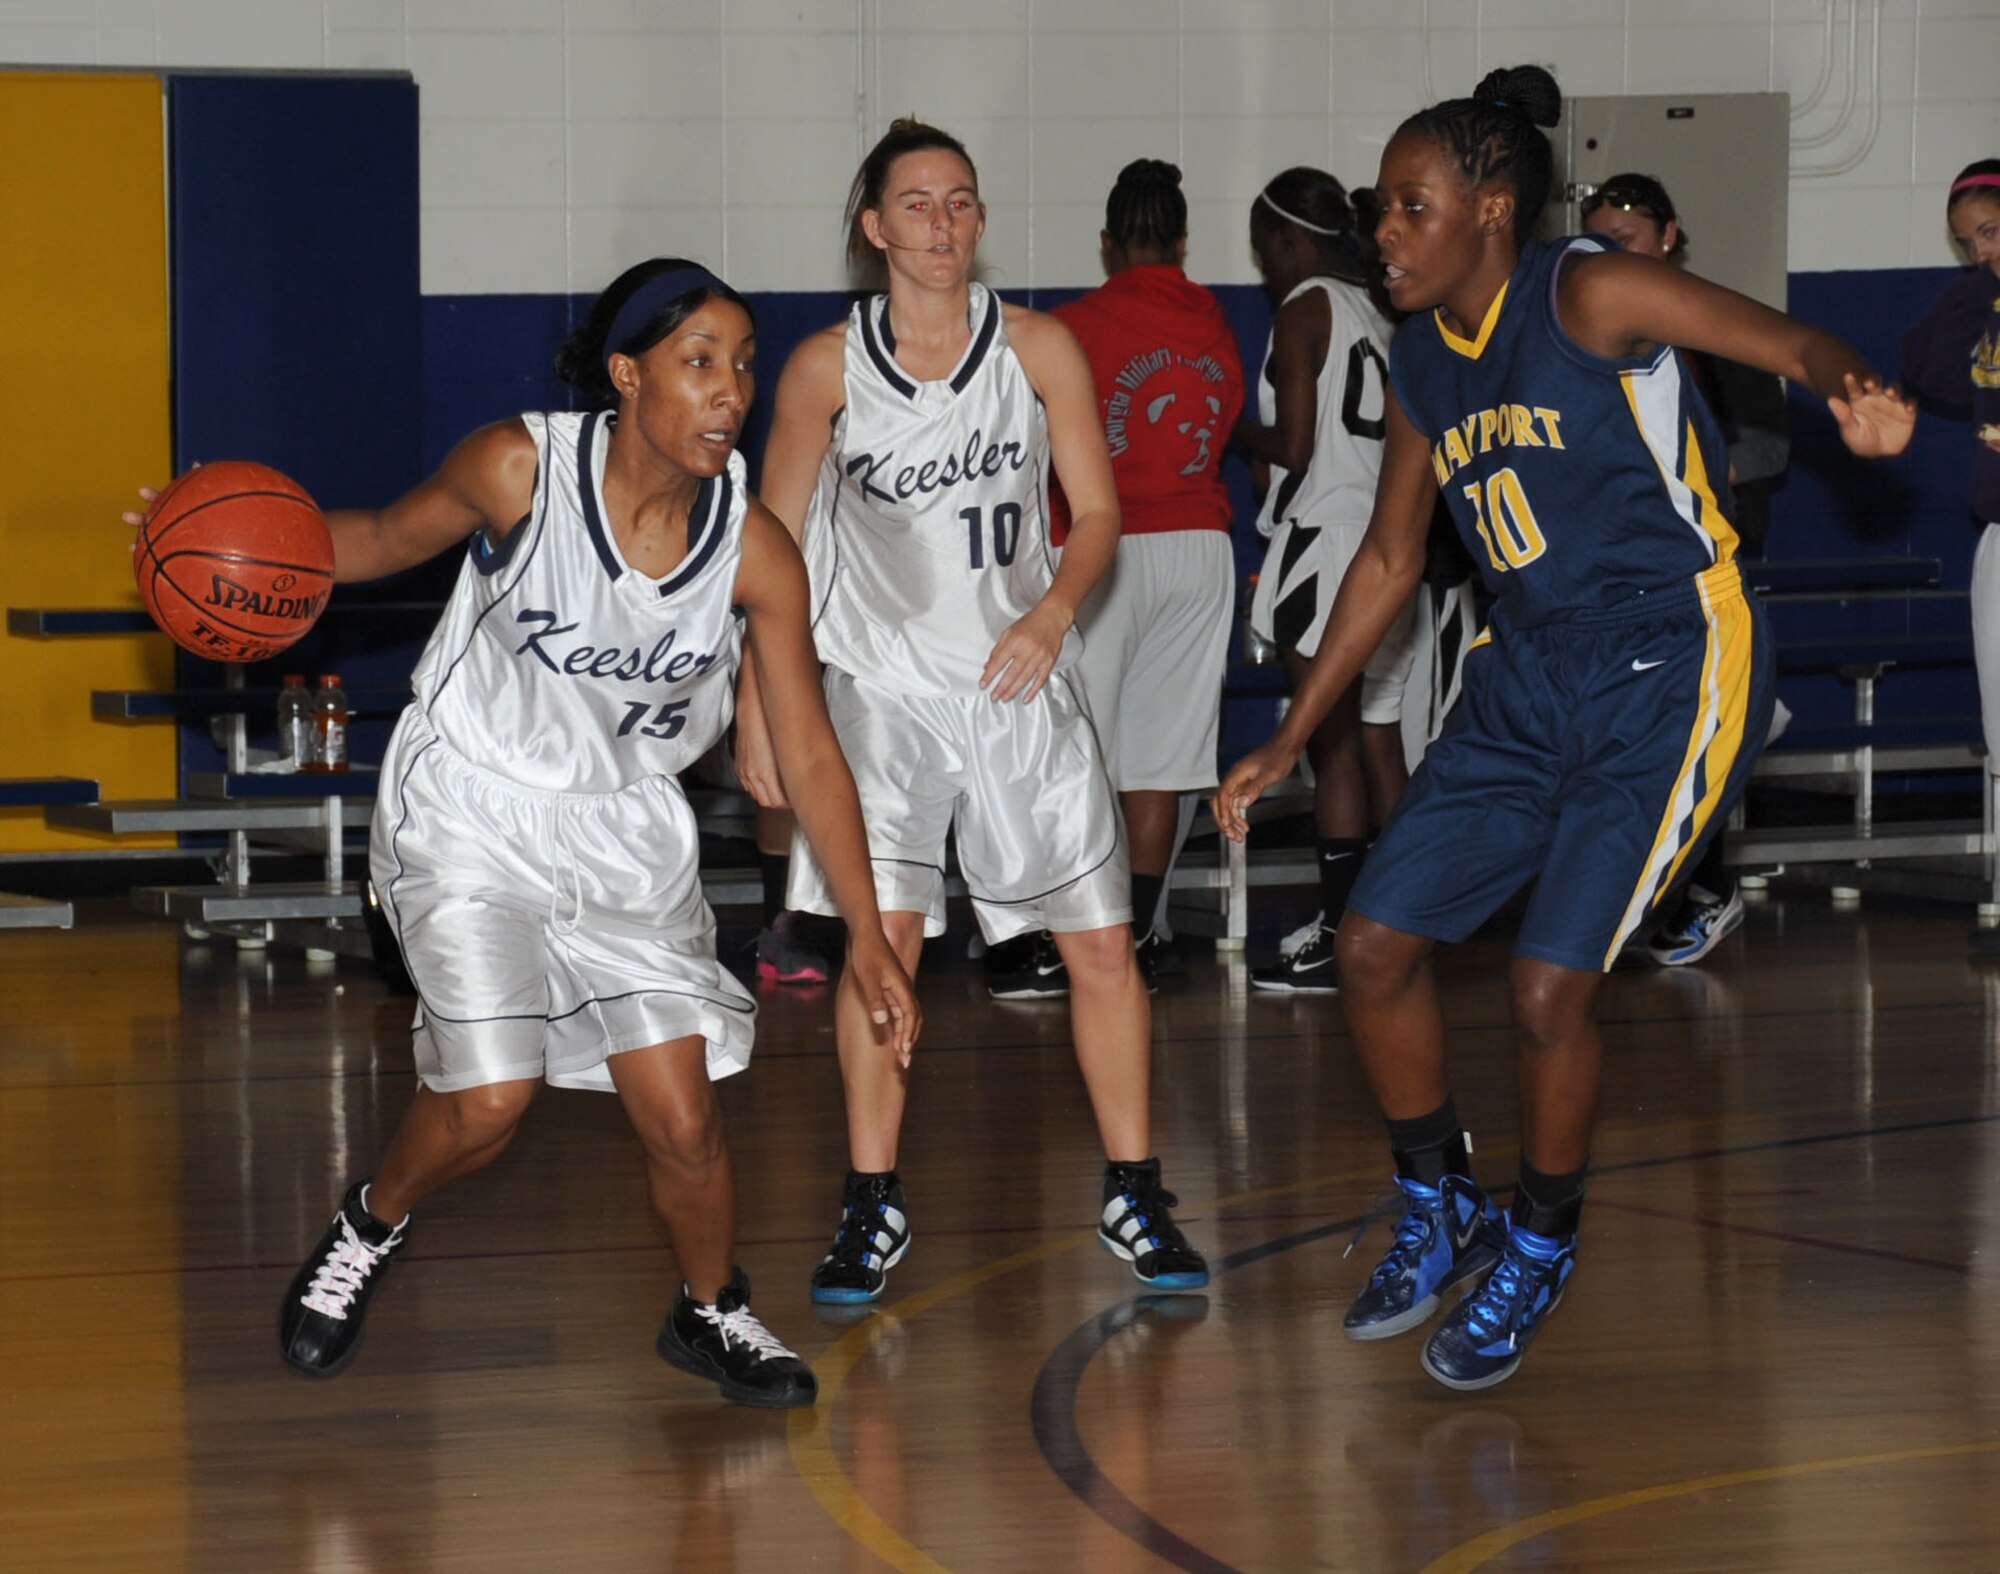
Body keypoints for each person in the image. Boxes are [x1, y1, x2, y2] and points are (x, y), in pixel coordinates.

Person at [1215, 66, 1913, 1391]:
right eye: (1379, 209)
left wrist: (1854, 385)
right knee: (1371, 946)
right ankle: (1441, 1201)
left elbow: (1782, 339)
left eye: (1411, 208)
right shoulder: (1420, 357)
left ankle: (1541, 1234)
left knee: (1548, 986)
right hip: (1525, 670)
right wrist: (1285, 731)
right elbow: (1384, 564)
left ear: (1492, 209)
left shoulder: (1586, 288)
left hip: (1670, 658)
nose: (1387, 232)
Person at [143, 260, 923, 1406]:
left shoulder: (756, 550)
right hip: (470, 802)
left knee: (684, 1118)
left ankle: (710, 1310)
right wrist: (203, 543)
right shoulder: (520, 468)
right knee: (490, 1094)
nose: (730, 391)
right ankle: (371, 1222)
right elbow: (367, 538)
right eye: (699, 362)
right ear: (627, 373)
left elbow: (808, 752)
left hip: (623, 829)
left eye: (743, 365)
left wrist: (868, 931)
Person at [739, 118, 1208, 1305]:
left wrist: (1052, 611)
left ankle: (1135, 1186)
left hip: (1015, 687)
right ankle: (869, 1197)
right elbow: (773, 546)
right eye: (914, 203)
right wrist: (756, 702)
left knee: (1101, 944)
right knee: (879, 947)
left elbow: (1094, 514)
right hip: (881, 695)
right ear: (872, 227)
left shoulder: (1041, 347)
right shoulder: (820, 370)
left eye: (959, 202)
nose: (939, 223)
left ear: (980, 221)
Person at [993, 157, 1245, 999]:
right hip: (1202, 546)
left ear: (1107, 245)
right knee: (1159, 763)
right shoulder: (1215, 319)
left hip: (1105, 551)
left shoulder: (1074, 326)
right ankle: (1137, 932)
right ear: (1181, 241)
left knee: (1076, 754)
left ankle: (1065, 934)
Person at [1582, 171, 1794, 967]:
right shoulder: (1583, 323)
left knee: (1688, 737)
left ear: (1669, 238)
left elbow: (1769, 447)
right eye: (1596, 239)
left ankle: (1705, 887)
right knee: (1629, 743)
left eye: (1626, 241)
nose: (1609, 253)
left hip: (1706, 569)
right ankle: (1659, 889)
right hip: (1616, 573)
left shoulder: (1708, 321)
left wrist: (1677, 473)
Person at [1237, 166, 1418, 993]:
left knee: (1332, 748)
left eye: (1263, 248)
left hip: (1326, 542)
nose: (1264, 265)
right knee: (1382, 744)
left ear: (1287, 240)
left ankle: (1343, 933)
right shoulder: (1386, 307)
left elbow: (1297, 446)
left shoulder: (1303, 306)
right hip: (1388, 541)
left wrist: (1234, 431)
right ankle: (1402, 922)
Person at [1901, 157, 2000, 951]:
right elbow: (1928, 369)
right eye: (1968, 243)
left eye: (1992, 232)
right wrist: (1980, 282)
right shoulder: (1981, 302)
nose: (1981, 252)